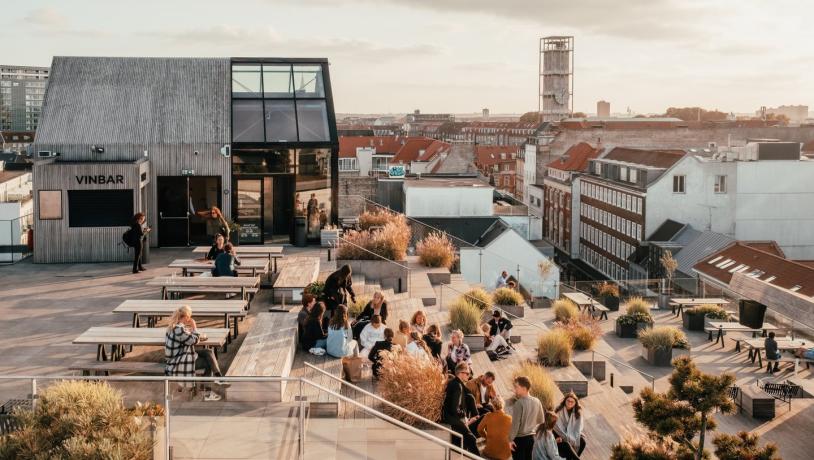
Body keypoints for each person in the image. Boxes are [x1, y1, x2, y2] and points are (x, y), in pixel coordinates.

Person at [164, 305, 225, 401]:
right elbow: (194, 341)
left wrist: (190, 332)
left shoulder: (173, 327)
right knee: (209, 363)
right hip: (177, 362)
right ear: (186, 317)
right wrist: (194, 326)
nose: (190, 318)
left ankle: (218, 377)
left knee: (208, 352)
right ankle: (206, 393)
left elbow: (186, 338)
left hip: (182, 355)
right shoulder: (179, 330)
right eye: (189, 316)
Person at [442, 362, 481, 456]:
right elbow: (455, 409)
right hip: (452, 418)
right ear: (460, 373)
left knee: (459, 443)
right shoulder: (458, 387)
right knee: (472, 439)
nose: (469, 375)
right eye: (467, 373)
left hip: (448, 416)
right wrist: (464, 417)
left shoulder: (453, 383)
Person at [507, 376, 545, 460]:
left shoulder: (519, 403)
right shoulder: (537, 401)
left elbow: (515, 425)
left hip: (519, 441)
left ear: (524, 388)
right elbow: (541, 421)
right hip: (532, 439)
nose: (515, 389)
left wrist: (510, 440)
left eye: (517, 387)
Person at [554, 392, 585, 458]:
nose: (570, 403)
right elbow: (557, 427)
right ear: (565, 400)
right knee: (567, 444)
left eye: (572, 402)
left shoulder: (577, 413)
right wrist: (566, 436)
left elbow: (578, 427)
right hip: (559, 435)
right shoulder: (558, 410)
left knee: (582, 441)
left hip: (572, 434)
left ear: (575, 403)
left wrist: (577, 434)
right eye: (568, 400)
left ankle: (575, 457)